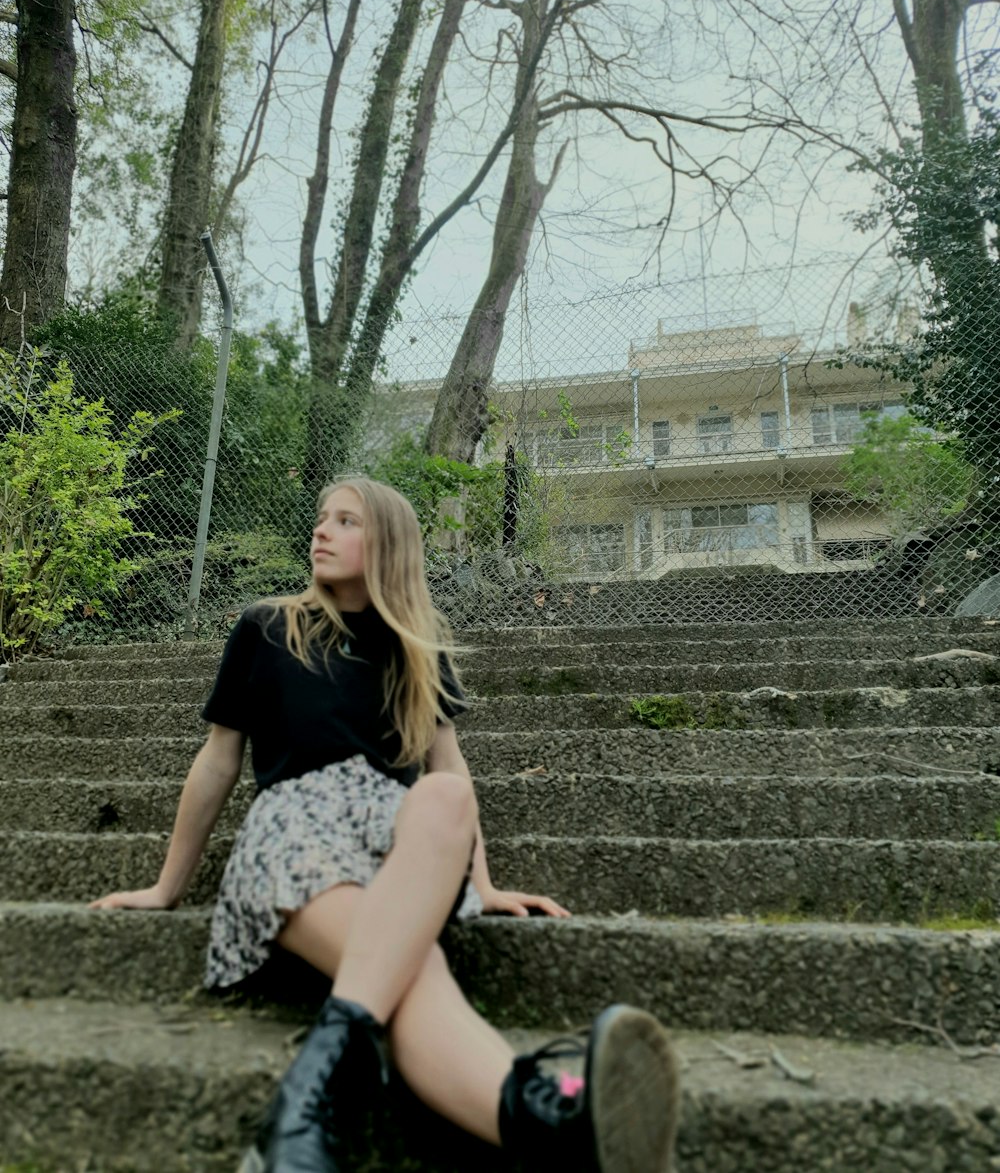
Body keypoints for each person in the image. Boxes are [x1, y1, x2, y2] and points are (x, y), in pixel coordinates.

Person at [91, 475, 680, 1172]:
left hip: (395, 850)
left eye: (345, 520)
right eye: (321, 518)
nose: (321, 530)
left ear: (389, 545)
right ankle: (551, 1121)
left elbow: (449, 770)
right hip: (294, 835)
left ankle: (300, 1120)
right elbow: (219, 761)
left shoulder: (416, 648)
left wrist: (482, 885)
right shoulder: (266, 627)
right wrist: (167, 886)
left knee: (445, 800)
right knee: (411, 963)